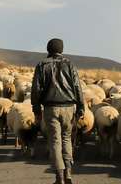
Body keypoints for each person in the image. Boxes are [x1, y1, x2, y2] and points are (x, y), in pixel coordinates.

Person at [31, 38, 84, 184]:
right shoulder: (70, 64)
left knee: (55, 140)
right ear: (61, 49)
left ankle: (59, 176)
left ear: (48, 49)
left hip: (51, 108)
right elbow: (77, 87)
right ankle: (68, 173)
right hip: (68, 108)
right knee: (67, 138)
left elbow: (36, 89)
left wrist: (36, 109)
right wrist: (81, 107)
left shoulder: (42, 65)